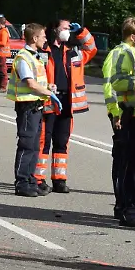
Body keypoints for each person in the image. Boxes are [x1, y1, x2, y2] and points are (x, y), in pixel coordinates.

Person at [36, 19, 99, 194]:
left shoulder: (73, 52)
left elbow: (91, 48)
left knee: (62, 142)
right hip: (48, 101)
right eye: (64, 28)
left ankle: (59, 180)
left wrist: (82, 33)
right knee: (43, 141)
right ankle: (38, 179)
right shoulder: (43, 50)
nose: (67, 31)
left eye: (69, 29)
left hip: (67, 102)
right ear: (55, 30)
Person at [103, 17, 135, 227]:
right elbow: (111, 85)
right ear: (134, 35)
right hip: (126, 114)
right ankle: (124, 207)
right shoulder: (121, 53)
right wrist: (115, 113)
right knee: (126, 164)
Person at [8, 23, 62, 197]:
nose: (45, 38)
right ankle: (22, 182)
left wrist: (49, 87)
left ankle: (31, 179)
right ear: (34, 38)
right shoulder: (23, 57)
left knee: (34, 146)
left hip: (36, 106)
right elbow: (30, 83)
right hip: (27, 107)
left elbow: (37, 81)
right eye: (43, 36)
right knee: (26, 145)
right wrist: (48, 93)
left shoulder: (35, 56)